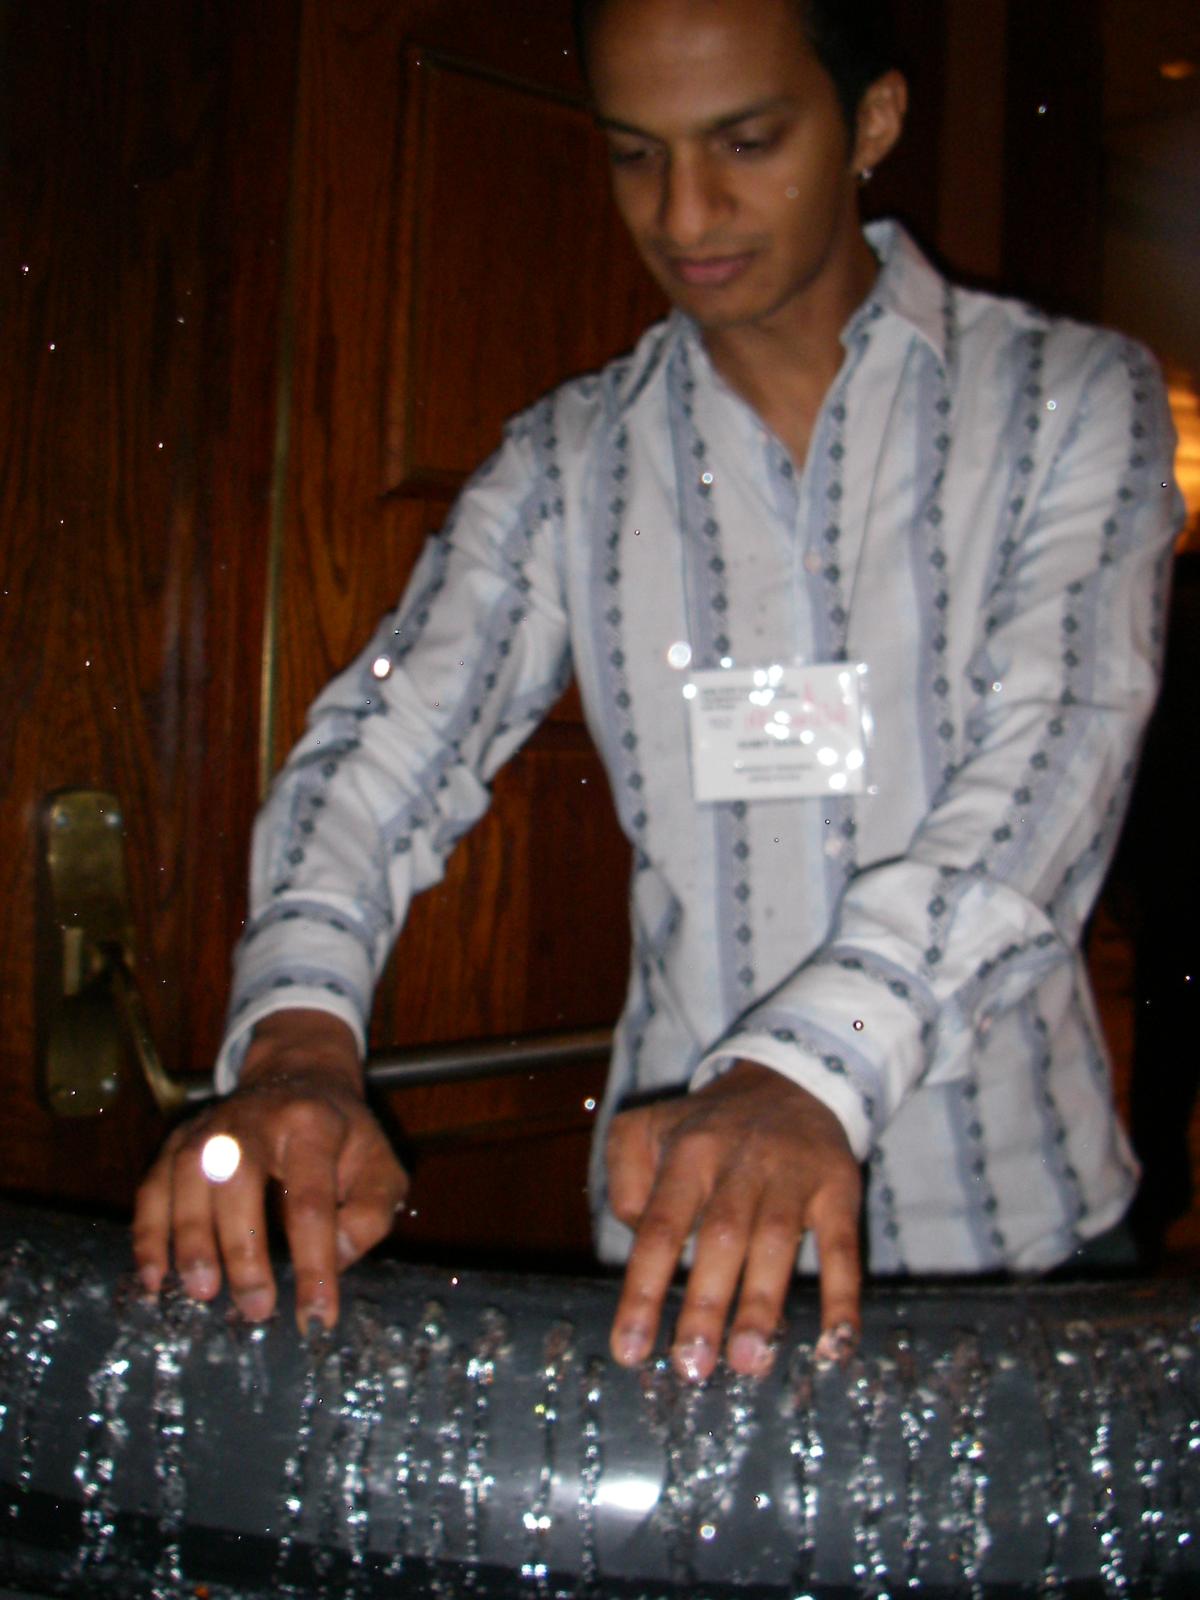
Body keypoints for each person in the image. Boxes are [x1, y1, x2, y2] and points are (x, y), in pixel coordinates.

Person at [133, 0, 1183, 1384]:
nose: (684, 213)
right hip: (687, 1264)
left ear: (872, 120)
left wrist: (808, 1066)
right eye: (636, 153)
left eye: (745, 142)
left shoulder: (1072, 399)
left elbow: (1054, 767)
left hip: (1018, 1242)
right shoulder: (571, 459)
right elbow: (380, 754)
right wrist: (297, 1035)